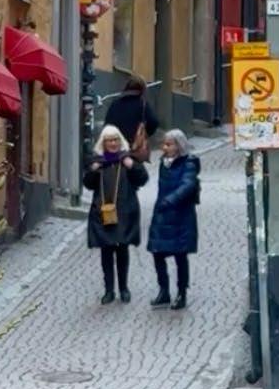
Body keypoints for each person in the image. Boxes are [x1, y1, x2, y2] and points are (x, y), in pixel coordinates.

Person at [83, 125, 149, 304]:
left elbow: (142, 179)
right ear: (103, 143)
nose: (113, 144)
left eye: (115, 140)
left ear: (120, 141)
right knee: (106, 250)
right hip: (102, 211)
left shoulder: (127, 159)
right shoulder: (97, 161)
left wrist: (132, 166)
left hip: (124, 210)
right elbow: (88, 184)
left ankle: (124, 288)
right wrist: (93, 170)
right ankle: (109, 290)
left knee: (122, 249)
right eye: (109, 141)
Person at [147, 128, 201, 311]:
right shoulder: (164, 163)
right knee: (157, 252)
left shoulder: (188, 163)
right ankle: (164, 290)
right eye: (164, 144)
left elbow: (188, 184)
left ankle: (181, 292)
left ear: (179, 146)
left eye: (168, 144)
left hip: (180, 215)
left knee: (180, 255)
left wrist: (171, 200)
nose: (164, 147)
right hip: (163, 214)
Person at [104, 77, 159, 158]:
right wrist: (144, 134)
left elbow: (107, 124)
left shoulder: (115, 103)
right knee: (134, 165)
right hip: (133, 148)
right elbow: (154, 122)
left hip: (114, 147)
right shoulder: (142, 104)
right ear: (142, 90)